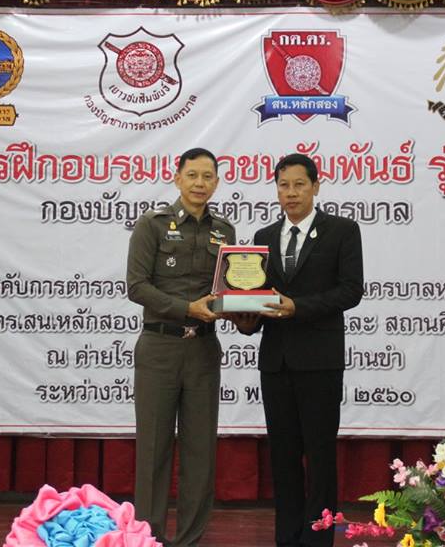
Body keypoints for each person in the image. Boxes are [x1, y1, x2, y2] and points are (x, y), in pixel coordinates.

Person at [232, 153, 364, 547]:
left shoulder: (342, 230)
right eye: (284, 185)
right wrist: (245, 319)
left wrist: (298, 307)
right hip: (276, 362)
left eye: (299, 185)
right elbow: (258, 297)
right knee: (283, 457)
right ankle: (287, 537)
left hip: (320, 362)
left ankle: (318, 539)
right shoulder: (263, 237)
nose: (291, 193)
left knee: (320, 456)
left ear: (315, 186)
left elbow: (351, 291)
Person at [126, 147, 236, 547]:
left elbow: (230, 289)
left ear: (217, 183)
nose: (200, 184)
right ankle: (149, 538)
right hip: (160, 347)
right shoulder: (152, 225)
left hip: (203, 350)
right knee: (153, 451)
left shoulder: (225, 232)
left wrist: (243, 307)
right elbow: (137, 287)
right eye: (192, 175)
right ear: (177, 179)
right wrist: (186, 308)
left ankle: (190, 540)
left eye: (207, 177)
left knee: (200, 453)